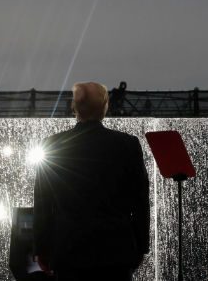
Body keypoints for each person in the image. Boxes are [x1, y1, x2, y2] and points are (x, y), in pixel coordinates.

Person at [33, 82, 150, 281]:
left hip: (69, 250)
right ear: (105, 106)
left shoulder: (52, 145)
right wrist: (140, 246)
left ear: (74, 107)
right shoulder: (127, 145)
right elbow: (140, 201)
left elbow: (43, 203)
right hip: (115, 250)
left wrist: (41, 248)